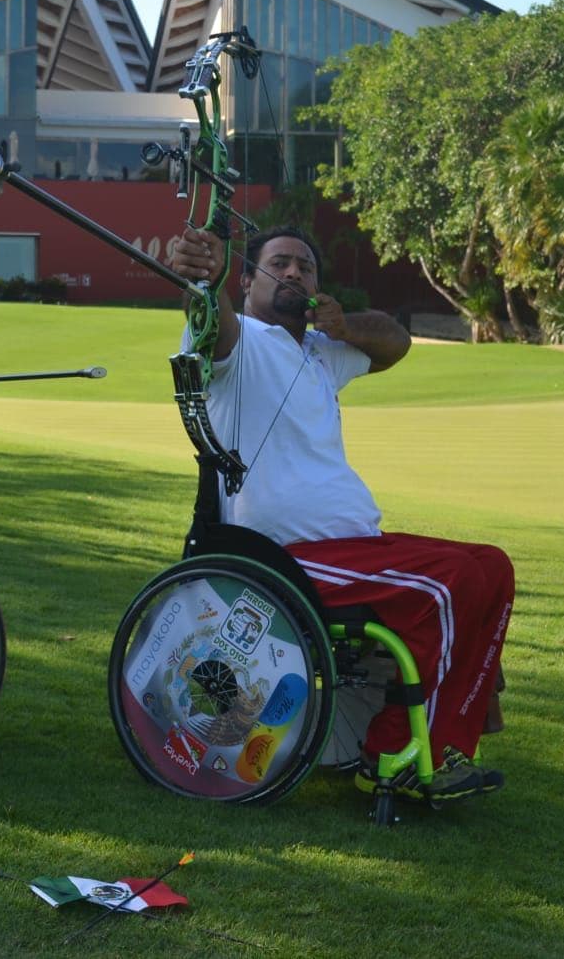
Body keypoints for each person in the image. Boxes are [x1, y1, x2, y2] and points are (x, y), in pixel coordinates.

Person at [170, 224, 513, 803]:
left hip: (357, 548)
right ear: (248, 279)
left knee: (492, 566)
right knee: (447, 585)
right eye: (279, 263)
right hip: (288, 559)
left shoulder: (323, 354)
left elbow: (396, 341)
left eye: (306, 267)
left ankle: (444, 742)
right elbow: (212, 318)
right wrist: (202, 276)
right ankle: (391, 760)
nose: (295, 273)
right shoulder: (240, 344)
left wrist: (346, 324)